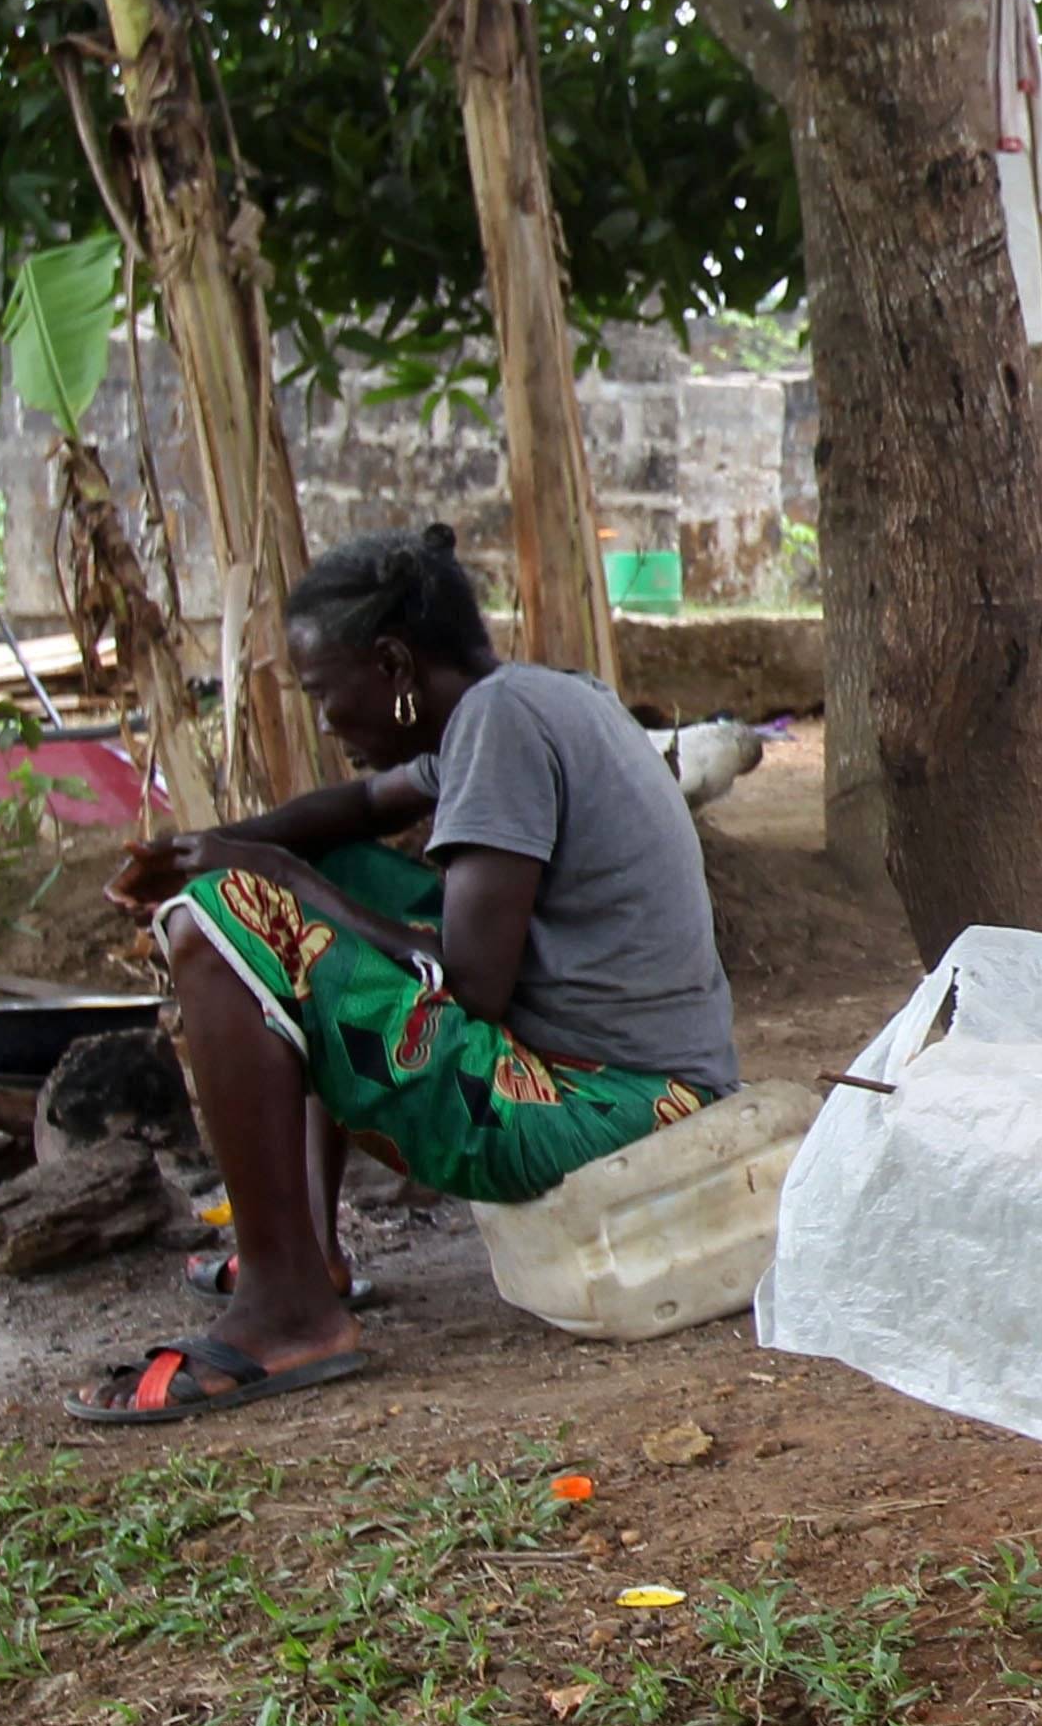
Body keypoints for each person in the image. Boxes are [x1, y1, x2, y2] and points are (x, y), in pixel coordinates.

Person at [73, 522, 737, 1424]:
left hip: (608, 1106)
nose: (320, 719)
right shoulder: (530, 699)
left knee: (220, 920)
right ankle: (309, 1249)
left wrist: (268, 881)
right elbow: (362, 807)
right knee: (290, 876)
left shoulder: (500, 727)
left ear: (391, 667)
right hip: (650, 1078)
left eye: (321, 692)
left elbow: (470, 992)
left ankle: (287, 1310)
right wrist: (211, 846)